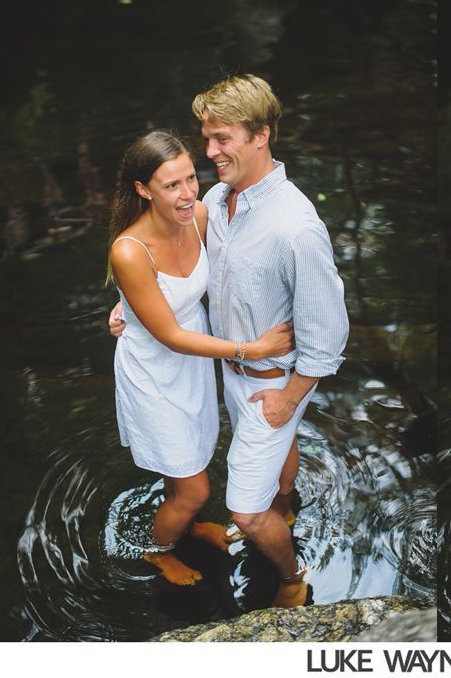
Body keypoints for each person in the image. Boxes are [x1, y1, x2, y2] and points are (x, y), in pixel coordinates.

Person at [111, 75, 349, 608]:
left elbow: (329, 333)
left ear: (261, 135)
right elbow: (167, 265)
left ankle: (291, 579)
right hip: (225, 373)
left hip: (272, 382)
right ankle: (284, 507)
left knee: (243, 510)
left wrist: (290, 397)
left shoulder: (295, 228)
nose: (210, 153)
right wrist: (129, 304)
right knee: (258, 471)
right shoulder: (216, 202)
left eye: (223, 139)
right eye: (207, 138)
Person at [108, 130, 294, 586]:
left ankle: (186, 526)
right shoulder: (129, 251)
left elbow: (238, 261)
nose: (188, 193)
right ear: (143, 189)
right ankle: (159, 550)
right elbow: (170, 334)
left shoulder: (199, 217)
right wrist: (254, 350)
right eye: (171, 185)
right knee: (195, 489)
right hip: (156, 371)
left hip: (194, 363)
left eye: (191, 178)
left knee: (185, 462)